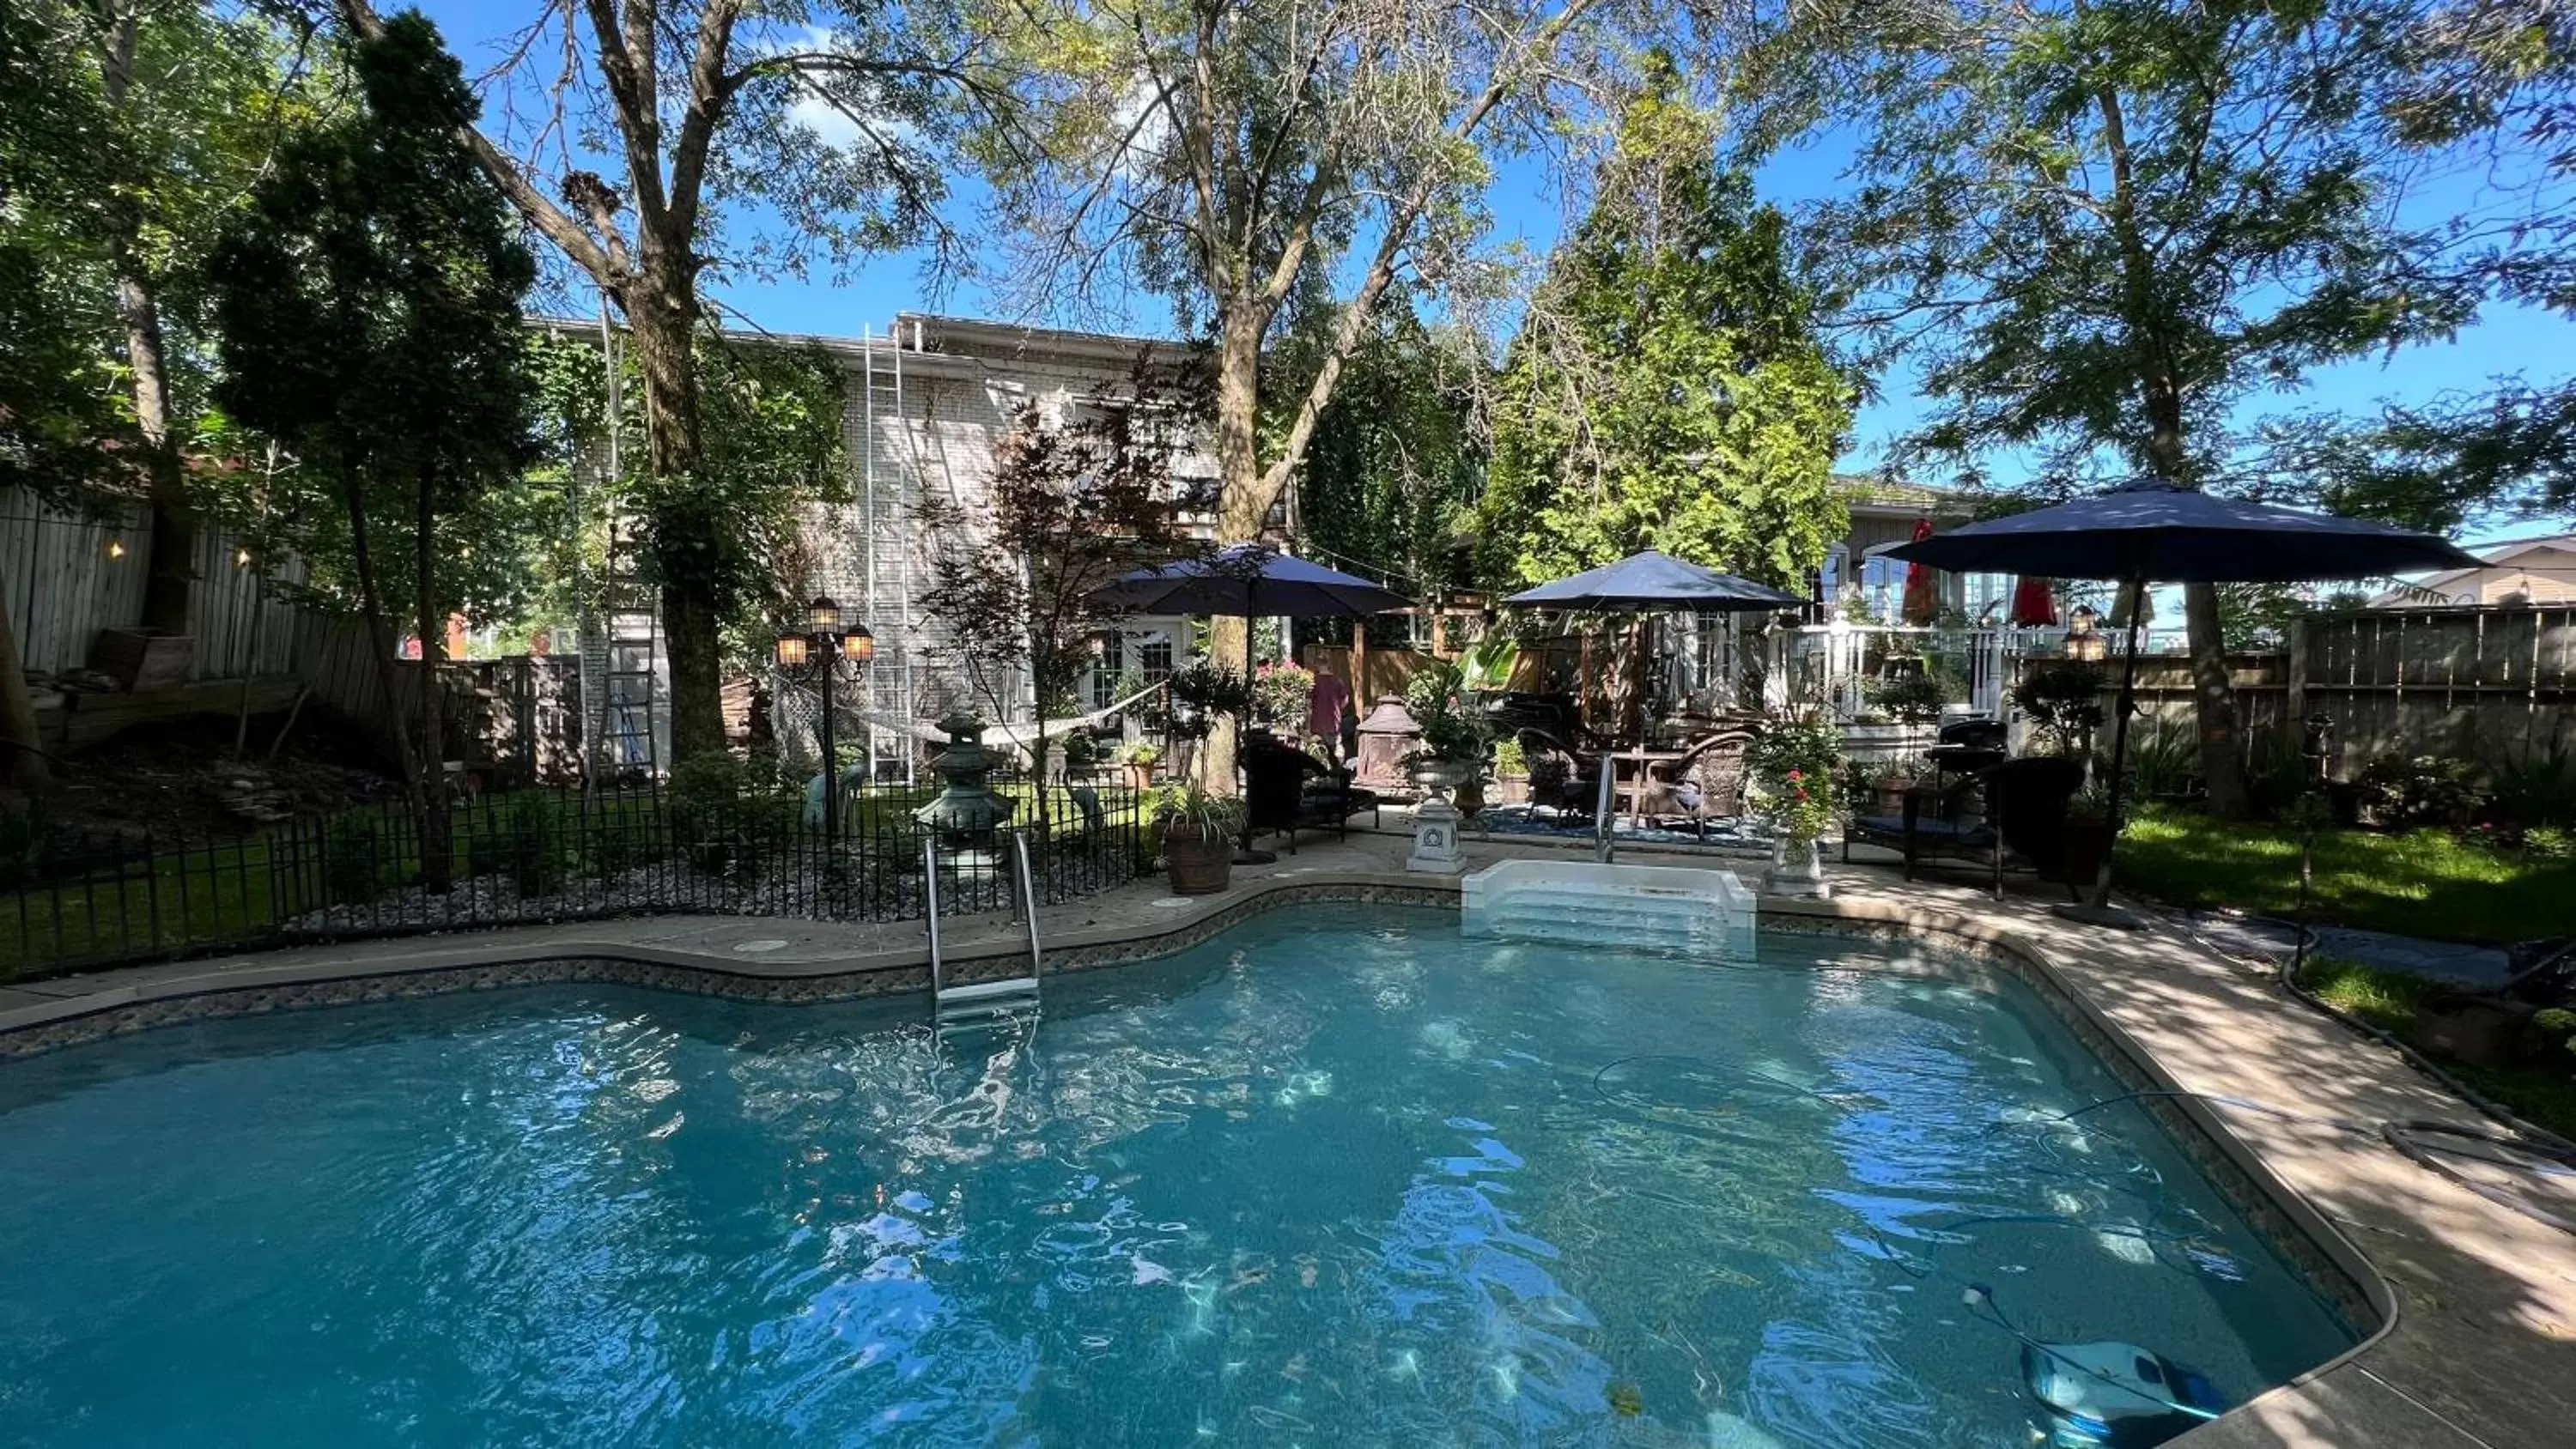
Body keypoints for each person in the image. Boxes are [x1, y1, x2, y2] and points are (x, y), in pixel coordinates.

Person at [1309, 665, 1354, 766]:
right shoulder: (1337, 681)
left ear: (1318, 666)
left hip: (1317, 721)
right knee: (1334, 748)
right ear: (1329, 667)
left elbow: (1308, 700)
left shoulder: (1314, 681)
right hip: (1333, 722)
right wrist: (1339, 709)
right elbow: (1345, 699)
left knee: (1317, 748)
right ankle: (1336, 770)